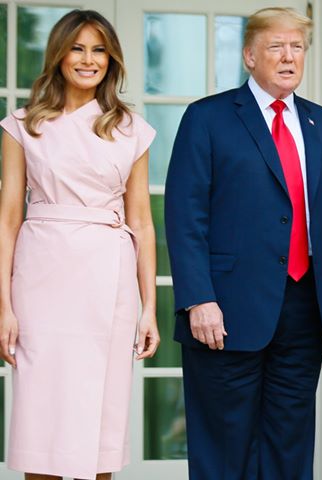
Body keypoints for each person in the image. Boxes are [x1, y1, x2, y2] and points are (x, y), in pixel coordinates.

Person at [164, 7, 322, 480]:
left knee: (289, 448)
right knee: (225, 451)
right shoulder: (207, 118)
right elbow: (185, 216)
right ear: (249, 56)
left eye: (297, 47)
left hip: (303, 309)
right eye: (276, 46)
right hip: (224, 311)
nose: (288, 56)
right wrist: (198, 299)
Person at [0, 9, 159, 480]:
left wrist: (149, 308)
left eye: (99, 50)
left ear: (111, 60)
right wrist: (4, 306)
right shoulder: (23, 125)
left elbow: (142, 222)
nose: (88, 60)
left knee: (100, 415)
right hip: (41, 278)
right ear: (59, 54)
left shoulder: (131, 128)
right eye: (77, 48)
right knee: (41, 416)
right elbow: (8, 219)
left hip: (107, 277)